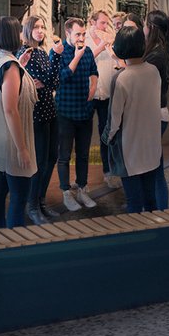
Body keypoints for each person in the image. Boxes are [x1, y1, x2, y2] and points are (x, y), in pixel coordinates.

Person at [0, 17, 36, 229]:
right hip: (12, 140)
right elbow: (10, 109)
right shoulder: (10, 66)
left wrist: (19, 66)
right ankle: (15, 243)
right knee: (18, 197)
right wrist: (22, 149)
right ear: (13, 35)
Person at [106, 25, 165, 212]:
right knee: (150, 200)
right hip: (152, 146)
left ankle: (137, 238)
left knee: (134, 202)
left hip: (130, 148)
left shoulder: (121, 78)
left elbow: (114, 120)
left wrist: (106, 139)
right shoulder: (153, 71)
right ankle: (154, 237)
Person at [53, 16, 99, 210]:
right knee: (64, 155)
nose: (81, 38)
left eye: (83, 34)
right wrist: (76, 56)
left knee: (83, 154)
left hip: (84, 110)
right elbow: (59, 78)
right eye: (77, 34)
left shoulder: (88, 51)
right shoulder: (58, 52)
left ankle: (82, 188)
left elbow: (94, 71)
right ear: (68, 33)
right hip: (65, 111)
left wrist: (94, 86)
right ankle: (66, 192)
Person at [19, 13, 59, 222]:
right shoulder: (24, 53)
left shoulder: (43, 53)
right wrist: (42, 80)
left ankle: (41, 201)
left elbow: (52, 82)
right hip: (35, 114)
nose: (41, 31)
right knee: (39, 162)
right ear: (28, 30)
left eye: (43, 27)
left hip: (50, 111)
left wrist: (57, 57)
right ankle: (32, 206)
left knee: (52, 157)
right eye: (37, 27)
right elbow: (38, 80)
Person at [143, 11, 169, 207]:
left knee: (154, 169)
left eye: (146, 24)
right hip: (159, 113)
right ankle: (157, 210)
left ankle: (159, 212)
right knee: (155, 166)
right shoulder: (164, 51)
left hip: (153, 115)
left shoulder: (156, 55)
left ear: (153, 28)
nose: (144, 29)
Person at [88, 10, 123, 188]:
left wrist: (111, 48)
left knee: (106, 134)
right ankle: (81, 181)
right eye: (102, 23)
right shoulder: (83, 40)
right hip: (88, 95)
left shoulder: (111, 40)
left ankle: (108, 172)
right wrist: (101, 46)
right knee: (84, 136)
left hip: (106, 95)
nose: (105, 27)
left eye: (107, 23)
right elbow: (83, 61)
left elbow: (118, 63)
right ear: (92, 23)